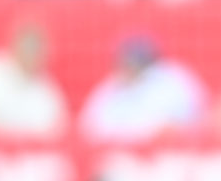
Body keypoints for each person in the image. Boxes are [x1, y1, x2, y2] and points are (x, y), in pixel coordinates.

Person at [78, 35, 207, 143]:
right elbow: (89, 129)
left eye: (136, 64)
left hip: (167, 158)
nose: (130, 69)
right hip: (119, 158)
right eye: (126, 63)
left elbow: (188, 124)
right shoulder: (109, 88)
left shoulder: (172, 80)